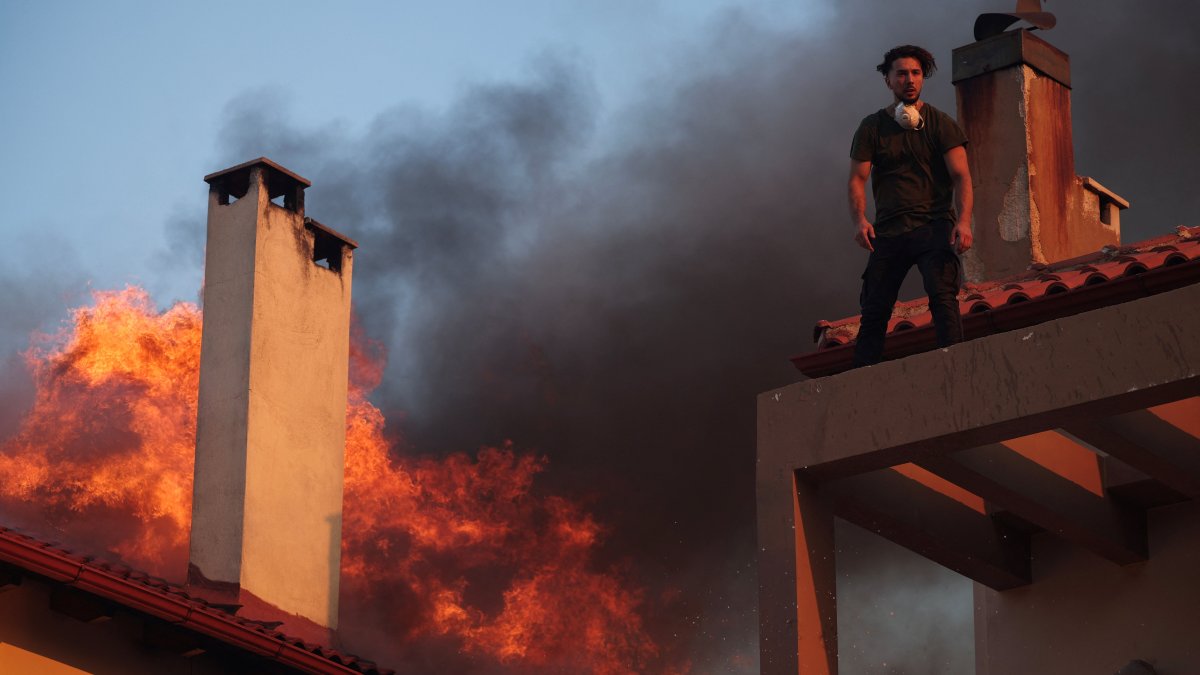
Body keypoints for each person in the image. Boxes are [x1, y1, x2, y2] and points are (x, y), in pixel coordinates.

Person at [847, 44, 973, 367]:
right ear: (888, 80)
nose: (909, 80)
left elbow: (961, 176)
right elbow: (857, 179)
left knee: (942, 294)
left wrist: (964, 221)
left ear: (923, 78)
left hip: (934, 226)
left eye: (915, 73)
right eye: (901, 73)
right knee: (874, 308)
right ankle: (863, 380)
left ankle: (953, 365)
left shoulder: (940, 124)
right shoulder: (872, 127)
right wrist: (860, 220)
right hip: (888, 231)